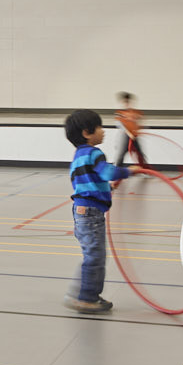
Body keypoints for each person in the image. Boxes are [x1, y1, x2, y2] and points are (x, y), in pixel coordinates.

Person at [65, 108, 127, 314]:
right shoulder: (94, 153)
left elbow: (84, 182)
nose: (103, 130)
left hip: (81, 212)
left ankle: (80, 294)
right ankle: (87, 298)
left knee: (91, 255)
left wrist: (107, 188)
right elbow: (108, 171)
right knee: (96, 257)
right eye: (99, 127)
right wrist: (129, 171)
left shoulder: (79, 156)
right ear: (86, 132)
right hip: (91, 213)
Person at [114, 93, 146, 170]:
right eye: (125, 102)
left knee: (140, 153)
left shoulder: (135, 112)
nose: (127, 104)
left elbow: (140, 121)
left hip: (135, 136)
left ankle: (144, 170)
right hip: (125, 136)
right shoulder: (120, 113)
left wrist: (139, 130)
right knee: (121, 153)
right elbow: (120, 125)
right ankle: (117, 170)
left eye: (128, 102)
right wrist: (129, 133)